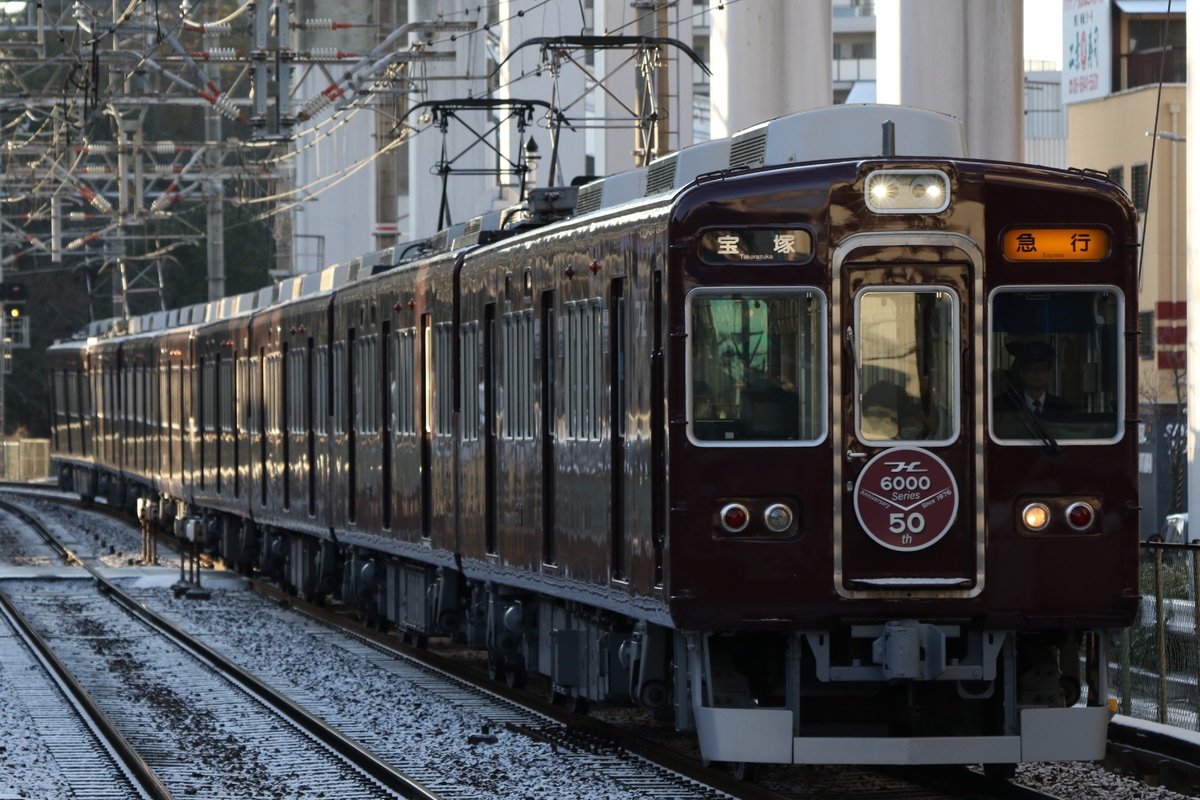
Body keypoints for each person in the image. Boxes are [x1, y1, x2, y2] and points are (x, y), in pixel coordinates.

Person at [994, 340, 1070, 428]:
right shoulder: (1001, 405)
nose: (1037, 373)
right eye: (1031, 368)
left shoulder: (1062, 408)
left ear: (1050, 373)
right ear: (1022, 372)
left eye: (1043, 368)